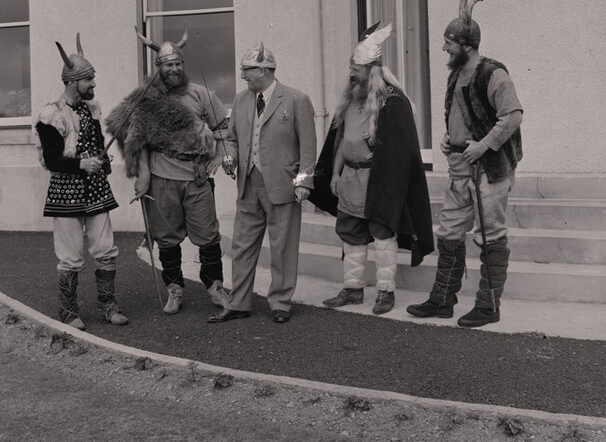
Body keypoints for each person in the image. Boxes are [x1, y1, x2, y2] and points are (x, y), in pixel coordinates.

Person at [406, 0, 524, 327]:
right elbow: (463, 116)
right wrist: (450, 140)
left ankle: (488, 307)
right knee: (449, 234)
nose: (444, 47)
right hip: (459, 168)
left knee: (491, 234)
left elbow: (512, 115)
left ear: (467, 44)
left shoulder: (493, 73)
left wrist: (482, 146)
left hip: (488, 170)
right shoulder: (456, 75)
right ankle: (443, 300)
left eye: (449, 42)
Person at [309, 23, 434, 315]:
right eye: (351, 68)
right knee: (351, 232)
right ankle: (353, 289)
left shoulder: (392, 102)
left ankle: (385, 293)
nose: (351, 74)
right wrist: (336, 174)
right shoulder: (350, 101)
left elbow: (399, 152)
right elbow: (340, 142)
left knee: (382, 234)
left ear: (371, 71)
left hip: (379, 181)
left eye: (356, 69)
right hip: (350, 179)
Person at [104, 27, 231, 315]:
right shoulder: (145, 99)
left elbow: (223, 127)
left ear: (182, 66)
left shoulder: (201, 94)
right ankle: (174, 290)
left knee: (209, 236)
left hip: (197, 175)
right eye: (168, 65)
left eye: (177, 64)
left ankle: (215, 288)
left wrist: (221, 154)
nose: (174, 69)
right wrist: (144, 175)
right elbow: (136, 138)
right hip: (162, 178)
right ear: (158, 68)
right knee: (167, 238)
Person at [209, 44, 317, 325]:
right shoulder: (242, 100)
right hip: (248, 184)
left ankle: (280, 302)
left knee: (282, 247)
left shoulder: (296, 100)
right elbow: (231, 138)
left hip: (284, 185)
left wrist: (303, 183)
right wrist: (229, 156)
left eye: (246, 71)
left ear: (263, 70)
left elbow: (308, 148)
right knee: (242, 245)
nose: (242, 76)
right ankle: (240, 302)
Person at [34, 34, 126, 330]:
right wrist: (81, 163)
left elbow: (97, 144)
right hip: (66, 193)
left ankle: (108, 307)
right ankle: (68, 311)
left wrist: (103, 159)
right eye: (89, 80)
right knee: (70, 257)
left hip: (96, 188)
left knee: (106, 249)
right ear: (73, 82)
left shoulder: (91, 110)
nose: (93, 85)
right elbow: (51, 160)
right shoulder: (51, 115)